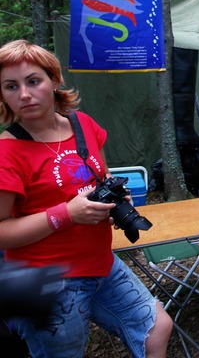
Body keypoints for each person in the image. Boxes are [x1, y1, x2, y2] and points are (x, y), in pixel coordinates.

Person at [0, 40, 173, 358]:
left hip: (100, 263)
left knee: (155, 328)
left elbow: (100, 180)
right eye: (11, 86)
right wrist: (66, 214)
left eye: (33, 81)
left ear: (53, 81)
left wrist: (111, 204)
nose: (23, 94)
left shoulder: (84, 125)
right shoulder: (6, 151)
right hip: (41, 278)